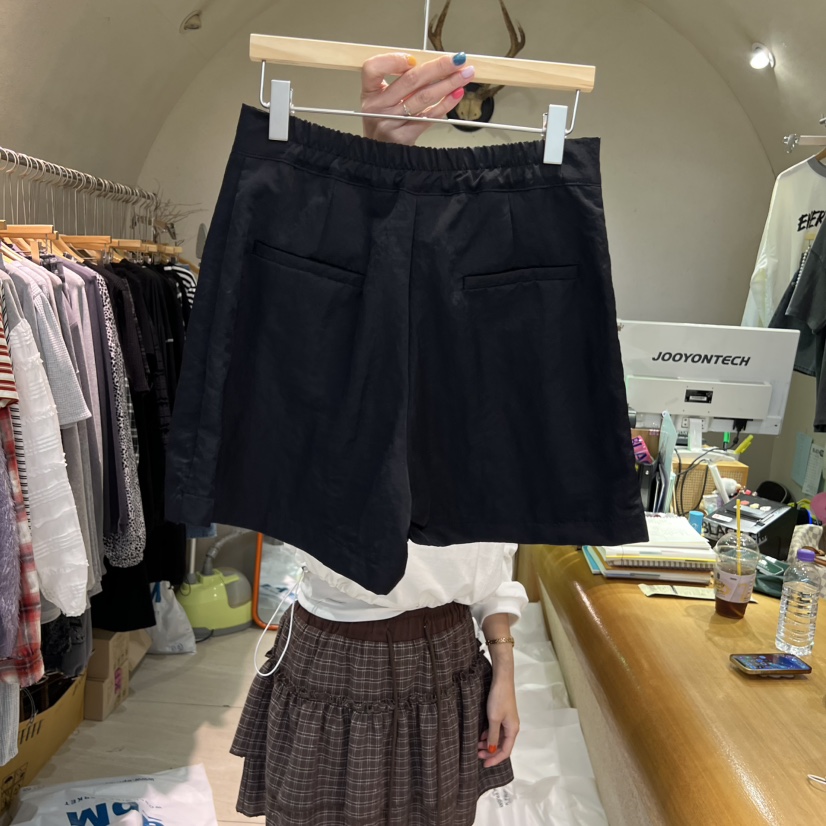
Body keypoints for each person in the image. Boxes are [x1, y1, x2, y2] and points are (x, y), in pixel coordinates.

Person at [230, 51, 528, 826]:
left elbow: (494, 553)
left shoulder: (488, 380)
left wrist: (505, 661)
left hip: (451, 657)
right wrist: (379, 154)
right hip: (340, 653)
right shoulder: (338, 363)